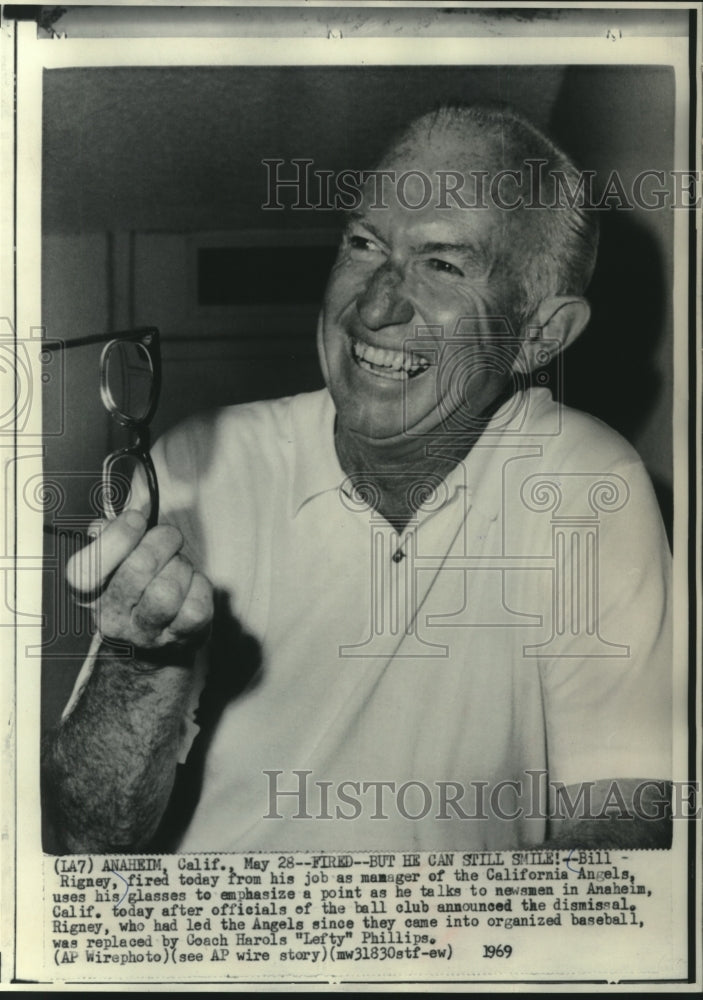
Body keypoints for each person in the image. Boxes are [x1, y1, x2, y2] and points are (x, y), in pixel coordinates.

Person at [42, 104, 672, 853]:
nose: (372, 306)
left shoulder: (587, 483)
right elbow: (85, 837)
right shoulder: (198, 459)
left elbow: (616, 833)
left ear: (539, 334)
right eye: (364, 244)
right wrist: (142, 656)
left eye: (442, 264)